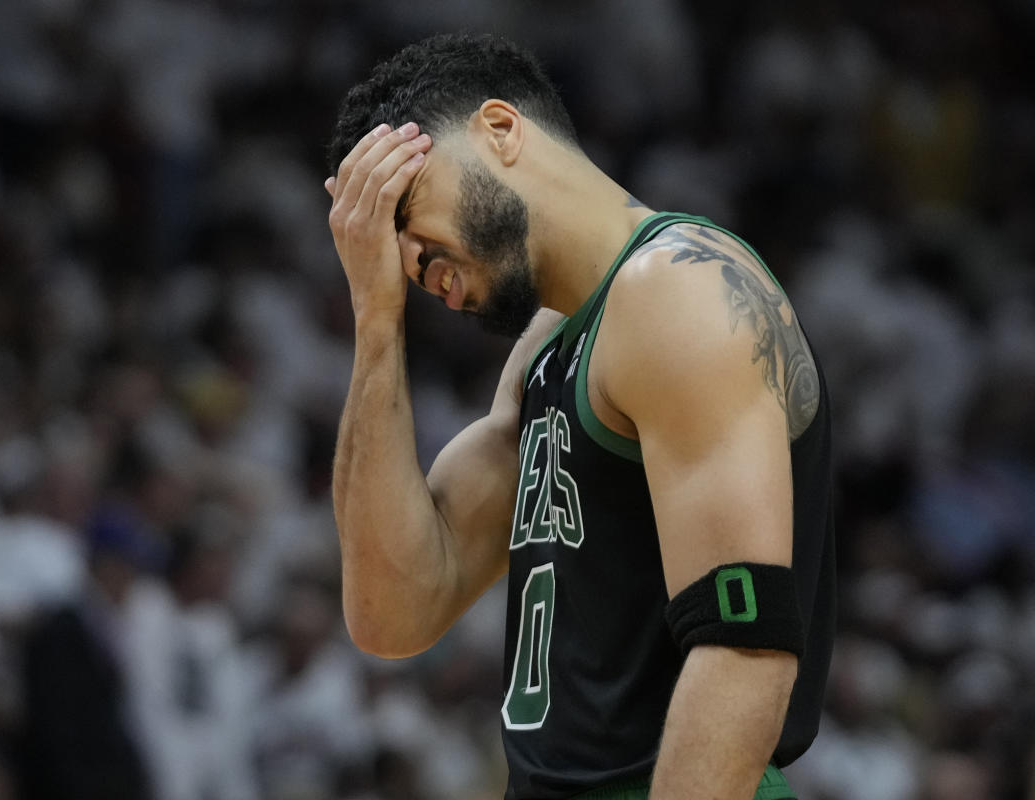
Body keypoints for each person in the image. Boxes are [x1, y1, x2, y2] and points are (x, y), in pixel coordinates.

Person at [323, 32, 835, 800]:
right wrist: (375, 319)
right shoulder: (549, 345)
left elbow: (744, 650)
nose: (407, 261)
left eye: (405, 207)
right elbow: (391, 612)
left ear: (499, 130)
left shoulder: (680, 290)